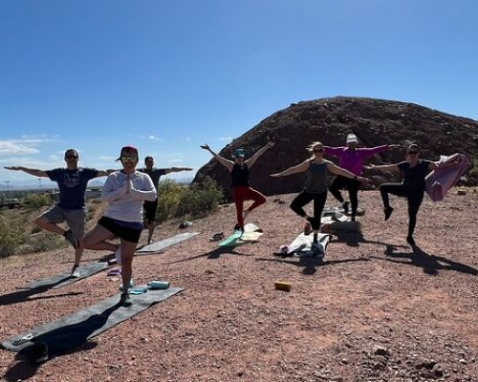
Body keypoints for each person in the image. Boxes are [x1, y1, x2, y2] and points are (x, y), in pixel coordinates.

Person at [4, 149, 111, 277]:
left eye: (73, 156)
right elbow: (40, 173)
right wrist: (22, 168)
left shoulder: (85, 172)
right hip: (61, 207)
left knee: (79, 241)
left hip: (77, 210)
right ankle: (66, 234)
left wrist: (125, 170)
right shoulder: (59, 173)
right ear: (65, 159)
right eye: (68, 156)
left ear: (78, 158)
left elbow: (105, 173)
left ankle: (76, 267)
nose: (71, 158)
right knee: (41, 221)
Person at [83, 146, 157, 306]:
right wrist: (120, 191)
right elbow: (104, 198)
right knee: (86, 242)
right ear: (120, 160)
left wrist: (135, 192)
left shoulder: (143, 177)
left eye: (132, 159)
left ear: (137, 160)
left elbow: (153, 195)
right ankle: (115, 248)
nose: (128, 162)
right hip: (112, 219)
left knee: (127, 260)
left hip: (133, 222)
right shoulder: (114, 177)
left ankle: (125, 292)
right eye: (125, 159)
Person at [271, 141, 368, 253]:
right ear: (313, 151)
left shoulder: (327, 164)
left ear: (323, 151)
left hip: (321, 193)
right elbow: (294, 169)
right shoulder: (309, 163)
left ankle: (316, 240)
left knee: (318, 215)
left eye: (320, 150)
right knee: (294, 206)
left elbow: (342, 171)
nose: (318, 153)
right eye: (316, 151)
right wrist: (280, 174)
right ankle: (309, 220)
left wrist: (358, 178)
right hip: (308, 191)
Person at [366, 143, 461, 247]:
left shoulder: (424, 164)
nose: (413, 154)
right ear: (408, 153)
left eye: (415, 152)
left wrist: (454, 164)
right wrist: (375, 167)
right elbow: (390, 167)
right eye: (411, 152)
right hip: (405, 189)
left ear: (418, 153)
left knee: (412, 215)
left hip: (417, 193)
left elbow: (439, 166)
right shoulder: (405, 165)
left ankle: (409, 236)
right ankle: (388, 208)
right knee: (383, 187)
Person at [200, 141, 274, 232]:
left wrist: (266, 146)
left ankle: (247, 211)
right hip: (237, 191)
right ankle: (242, 230)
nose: (239, 158)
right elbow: (219, 158)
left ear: (243, 157)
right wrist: (209, 149)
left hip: (247, 189)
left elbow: (257, 155)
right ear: (235, 157)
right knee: (239, 212)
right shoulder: (231, 165)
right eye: (238, 157)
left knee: (262, 199)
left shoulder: (247, 164)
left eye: (241, 157)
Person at [323, 133, 399, 221]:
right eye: (350, 143)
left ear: (356, 143)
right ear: (347, 144)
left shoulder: (361, 152)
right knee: (332, 188)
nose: (352, 145)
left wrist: (386, 147)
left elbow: (373, 150)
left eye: (354, 143)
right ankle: (344, 203)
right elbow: (330, 149)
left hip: (355, 177)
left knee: (353, 196)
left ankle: (353, 216)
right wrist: (317, 147)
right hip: (343, 175)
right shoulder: (342, 150)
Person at [139, 156, 193, 244]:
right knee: (138, 219)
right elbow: (126, 171)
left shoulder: (157, 171)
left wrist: (185, 168)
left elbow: (171, 169)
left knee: (151, 220)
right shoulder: (141, 171)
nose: (150, 163)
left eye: (151, 162)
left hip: (153, 198)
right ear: (145, 163)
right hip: (141, 198)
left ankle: (149, 238)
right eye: (148, 162)